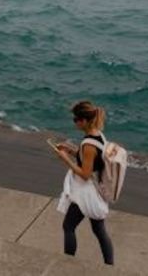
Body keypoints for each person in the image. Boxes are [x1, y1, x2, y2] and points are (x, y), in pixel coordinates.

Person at [51, 100, 115, 266]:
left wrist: (65, 159)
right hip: (95, 190)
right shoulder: (98, 135)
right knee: (99, 230)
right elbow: (90, 160)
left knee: (68, 226)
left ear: (84, 121)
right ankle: (110, 266)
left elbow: (85, 174)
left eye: (76, 119)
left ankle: (68, 263)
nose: (75, 122)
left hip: (86, 193)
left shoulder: (88, 145)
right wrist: (71, 149)